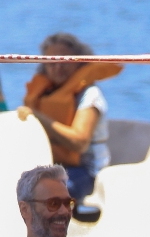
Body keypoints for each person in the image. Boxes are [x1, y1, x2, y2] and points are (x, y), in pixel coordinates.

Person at [18, 33, 123, 201]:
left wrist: (39, 117)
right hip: (52, 166)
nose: (58, 66)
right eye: (52, 62)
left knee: (50, 192)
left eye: (65, 60)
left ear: (79, 62)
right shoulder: (42, 94)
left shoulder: (90, 95)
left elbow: (79, 143)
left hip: (86, 171)